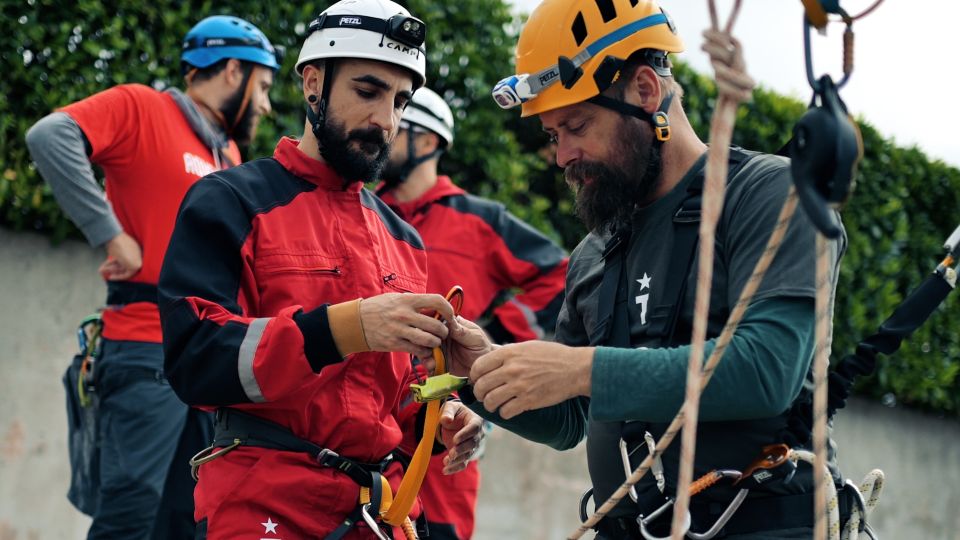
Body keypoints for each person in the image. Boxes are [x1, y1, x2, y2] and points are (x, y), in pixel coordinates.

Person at [445, 0, 848, 538]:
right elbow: (570, 421)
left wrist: (580, 368)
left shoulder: (767, 193)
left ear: (645, 91)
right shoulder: (595, 252)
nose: (562, 154)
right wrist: (482, 371)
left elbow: (767, 370)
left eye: (577, 125)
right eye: (551, 134)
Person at [157, 1, 484, 538]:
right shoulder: (230, 200)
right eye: (367, 91)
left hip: (380, 511)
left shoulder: (404, 239)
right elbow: (195, 356)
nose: (386, 120)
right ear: (313, 84)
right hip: (263, 504)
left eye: (400, 101)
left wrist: (443, 416)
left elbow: (396, 393)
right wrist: (341, 329)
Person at [25, 15, 280, 539]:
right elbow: (50, 135)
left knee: (190, 523)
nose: (267, 106)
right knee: (130, 519)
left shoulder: (226, 153)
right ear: (234, 71)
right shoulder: (143, 106)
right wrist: (109, 232)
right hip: (142, 353)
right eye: (265, 87)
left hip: (203, 363)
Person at [377, 87, 569, 539]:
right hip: (366, 423)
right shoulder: (366, 212)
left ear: (426, 142)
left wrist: (494, 339)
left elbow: (562, 276)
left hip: (448, 423)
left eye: (397, 126)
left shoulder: (479, 220)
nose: (381, 133)